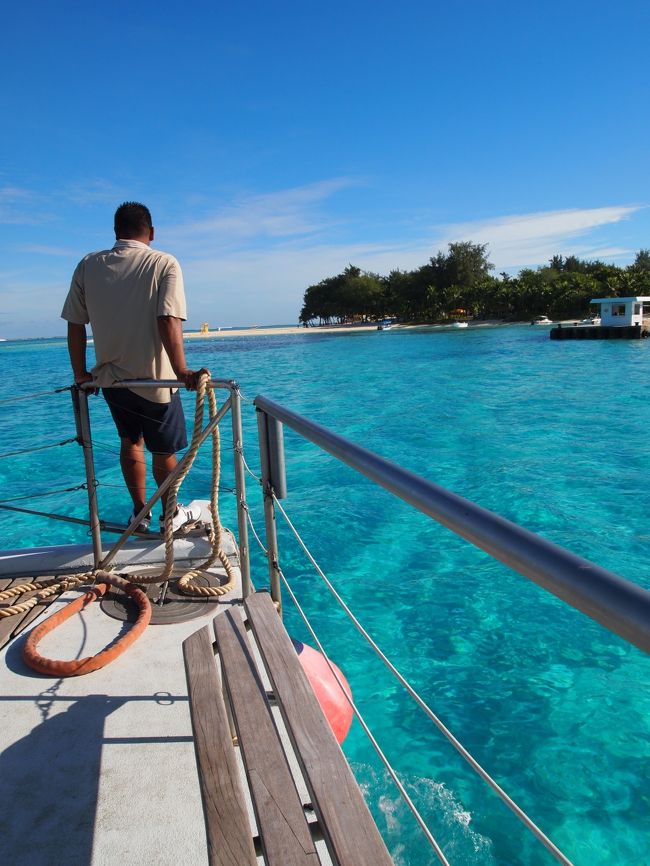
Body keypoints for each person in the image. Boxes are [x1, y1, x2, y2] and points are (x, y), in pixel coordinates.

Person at [61, 201, 210, 534]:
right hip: (154, 379)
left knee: (130, 442)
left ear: (116, 232)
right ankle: (169, 516)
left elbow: (74, 324)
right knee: (164, 449)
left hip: (111, 380)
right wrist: (182, 370)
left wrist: (80, 374)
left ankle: (139, 513)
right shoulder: (163, 262)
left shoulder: (88, 264)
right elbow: (168, 319)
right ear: (152, 232)